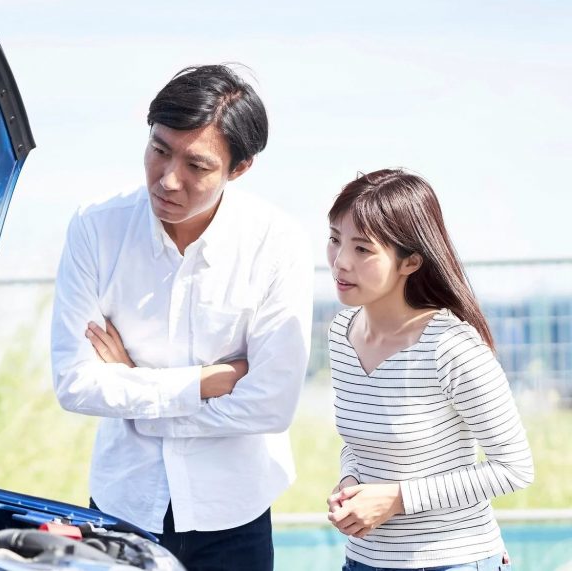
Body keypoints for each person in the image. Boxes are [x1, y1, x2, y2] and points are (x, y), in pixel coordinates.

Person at [50, 64, 313, 571]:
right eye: (159, 149)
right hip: (123, 506)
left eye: (197, 165)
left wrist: (133, 390)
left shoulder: (276, 243)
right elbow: (74, 383)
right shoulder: (96, 226)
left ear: (239, 169)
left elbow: (272, 405)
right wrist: (203, 382)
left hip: (233, 510)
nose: (169, 179)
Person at [324, 169, 534, 570]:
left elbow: (514, 468)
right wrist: (351, 482)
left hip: (452, 560)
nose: (340, 262)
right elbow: (360, 440)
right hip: (364, 561)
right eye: (335, 240)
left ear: (411, 261)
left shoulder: (452, 348)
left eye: (362, 249)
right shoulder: (341, 333)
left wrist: (398, 499)